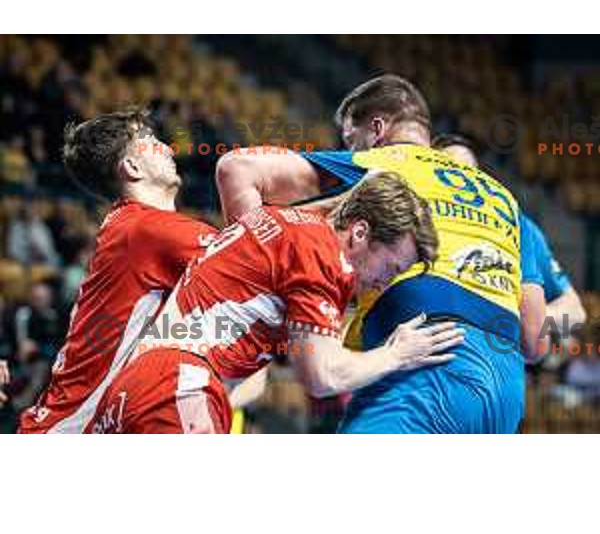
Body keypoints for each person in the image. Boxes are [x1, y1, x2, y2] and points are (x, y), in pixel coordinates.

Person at [216, 74, 546, 433]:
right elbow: (535, 339)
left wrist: (254, 275)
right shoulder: (506, 201)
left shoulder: (388, 162)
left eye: (350, 139)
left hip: (423, 371)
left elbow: (238, 169)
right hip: (506, 394)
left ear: (376, 129)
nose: (350, 147)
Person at [86, 172, 464, 434]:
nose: (386, 279)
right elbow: (322, 376)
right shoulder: (321, 254)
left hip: (131, 387)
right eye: (391, 265)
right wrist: (397, 355)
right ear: (360, 232)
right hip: (180, 385)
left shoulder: (283, 221)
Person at [19, 109, 217, 433]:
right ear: (132, 167)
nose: (167, 147)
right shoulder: (145, 229)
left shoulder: (130, 226)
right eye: (151, 141)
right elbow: (256, 252)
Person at [432, 131, 587, 355]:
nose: (460, 182)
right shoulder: (419, 224)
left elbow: (575, 311)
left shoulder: (519, 226)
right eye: (448, 173)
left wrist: (525, 321)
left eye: (469, 173)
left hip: (507, 367)